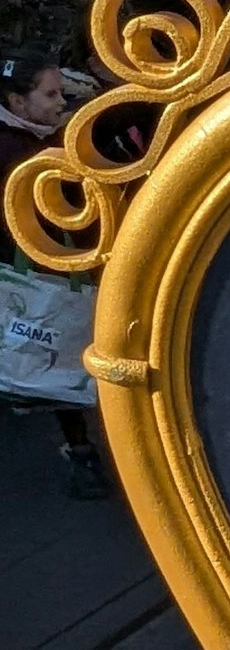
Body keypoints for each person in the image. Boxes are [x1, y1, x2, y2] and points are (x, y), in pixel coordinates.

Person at [0, 51, 110, 500]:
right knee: (59, 353)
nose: (59, 102)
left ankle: (82, 449)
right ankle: (83, 451)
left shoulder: (32, 137)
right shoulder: (15, 150)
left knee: (58, 357)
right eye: (50, 94)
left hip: (46, 271)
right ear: (18, 102)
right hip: (39, 271)